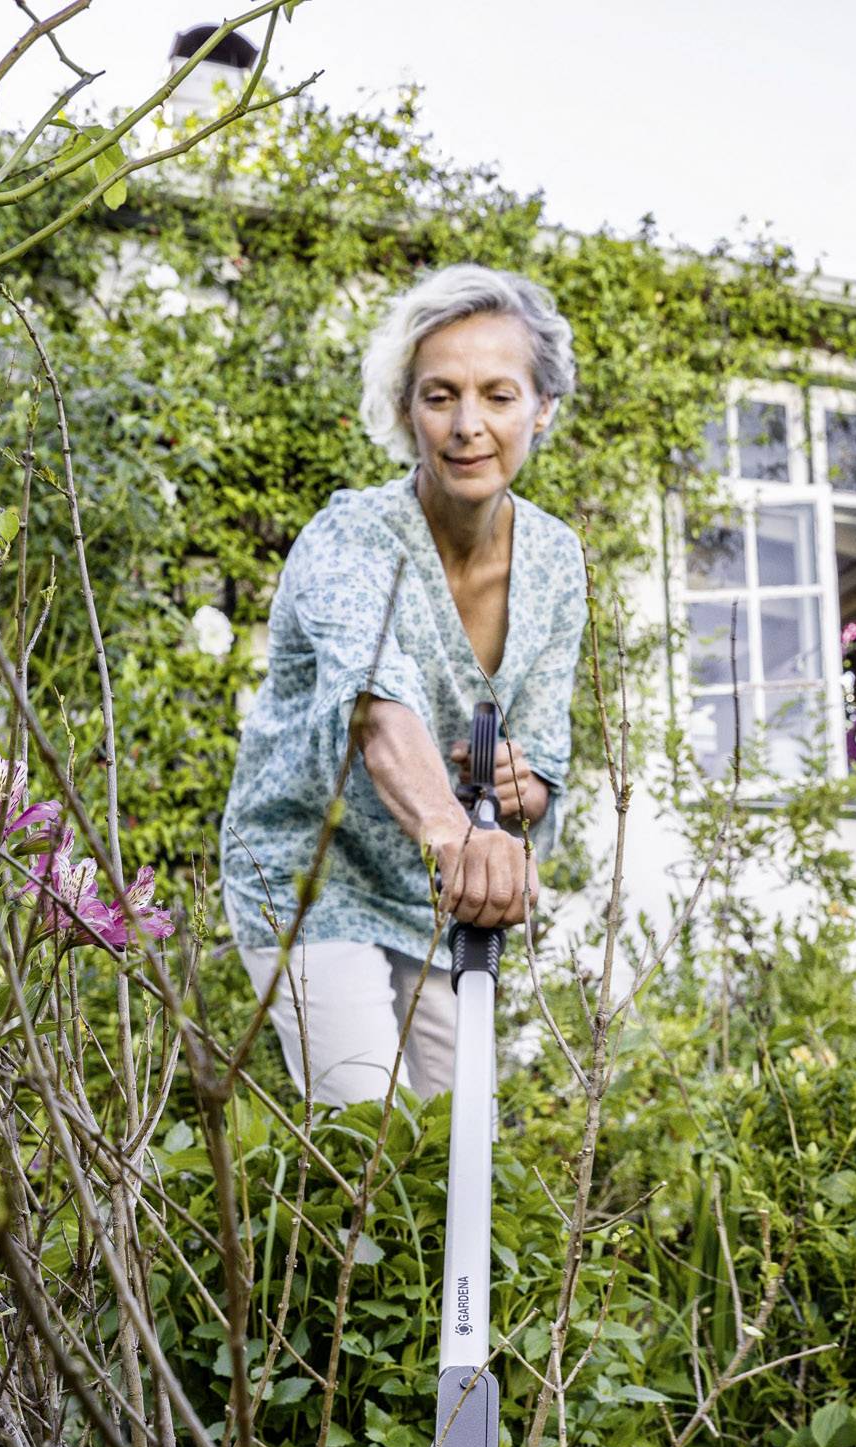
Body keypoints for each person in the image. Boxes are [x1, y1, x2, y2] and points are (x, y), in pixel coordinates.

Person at [219, 263, 588, 1105]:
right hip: (315, 871)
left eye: (498, 395)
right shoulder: (351, 537)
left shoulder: (558, 560)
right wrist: (459, 840)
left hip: (434, 898)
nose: (468, 425)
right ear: (404, 411)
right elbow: (378, 715)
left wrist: (520, 789)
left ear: (542, 409)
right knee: (364, 1125)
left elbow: (539, 772)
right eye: (439, 395)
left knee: (465, 1143)